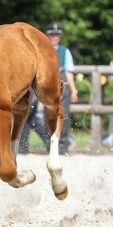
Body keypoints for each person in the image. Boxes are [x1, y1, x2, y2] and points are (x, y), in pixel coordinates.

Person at [42, 22, 78, 154]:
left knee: (64, 115)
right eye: (52, 35)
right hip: (46, 86)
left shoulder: (64, 51)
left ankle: (63, 145)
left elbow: (69, 72)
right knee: (48, 114)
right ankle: (50, 144)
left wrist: (73, 90)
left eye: (57, 35)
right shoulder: (42, 49)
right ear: (47, 35)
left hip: (62, 85)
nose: (55, 37)